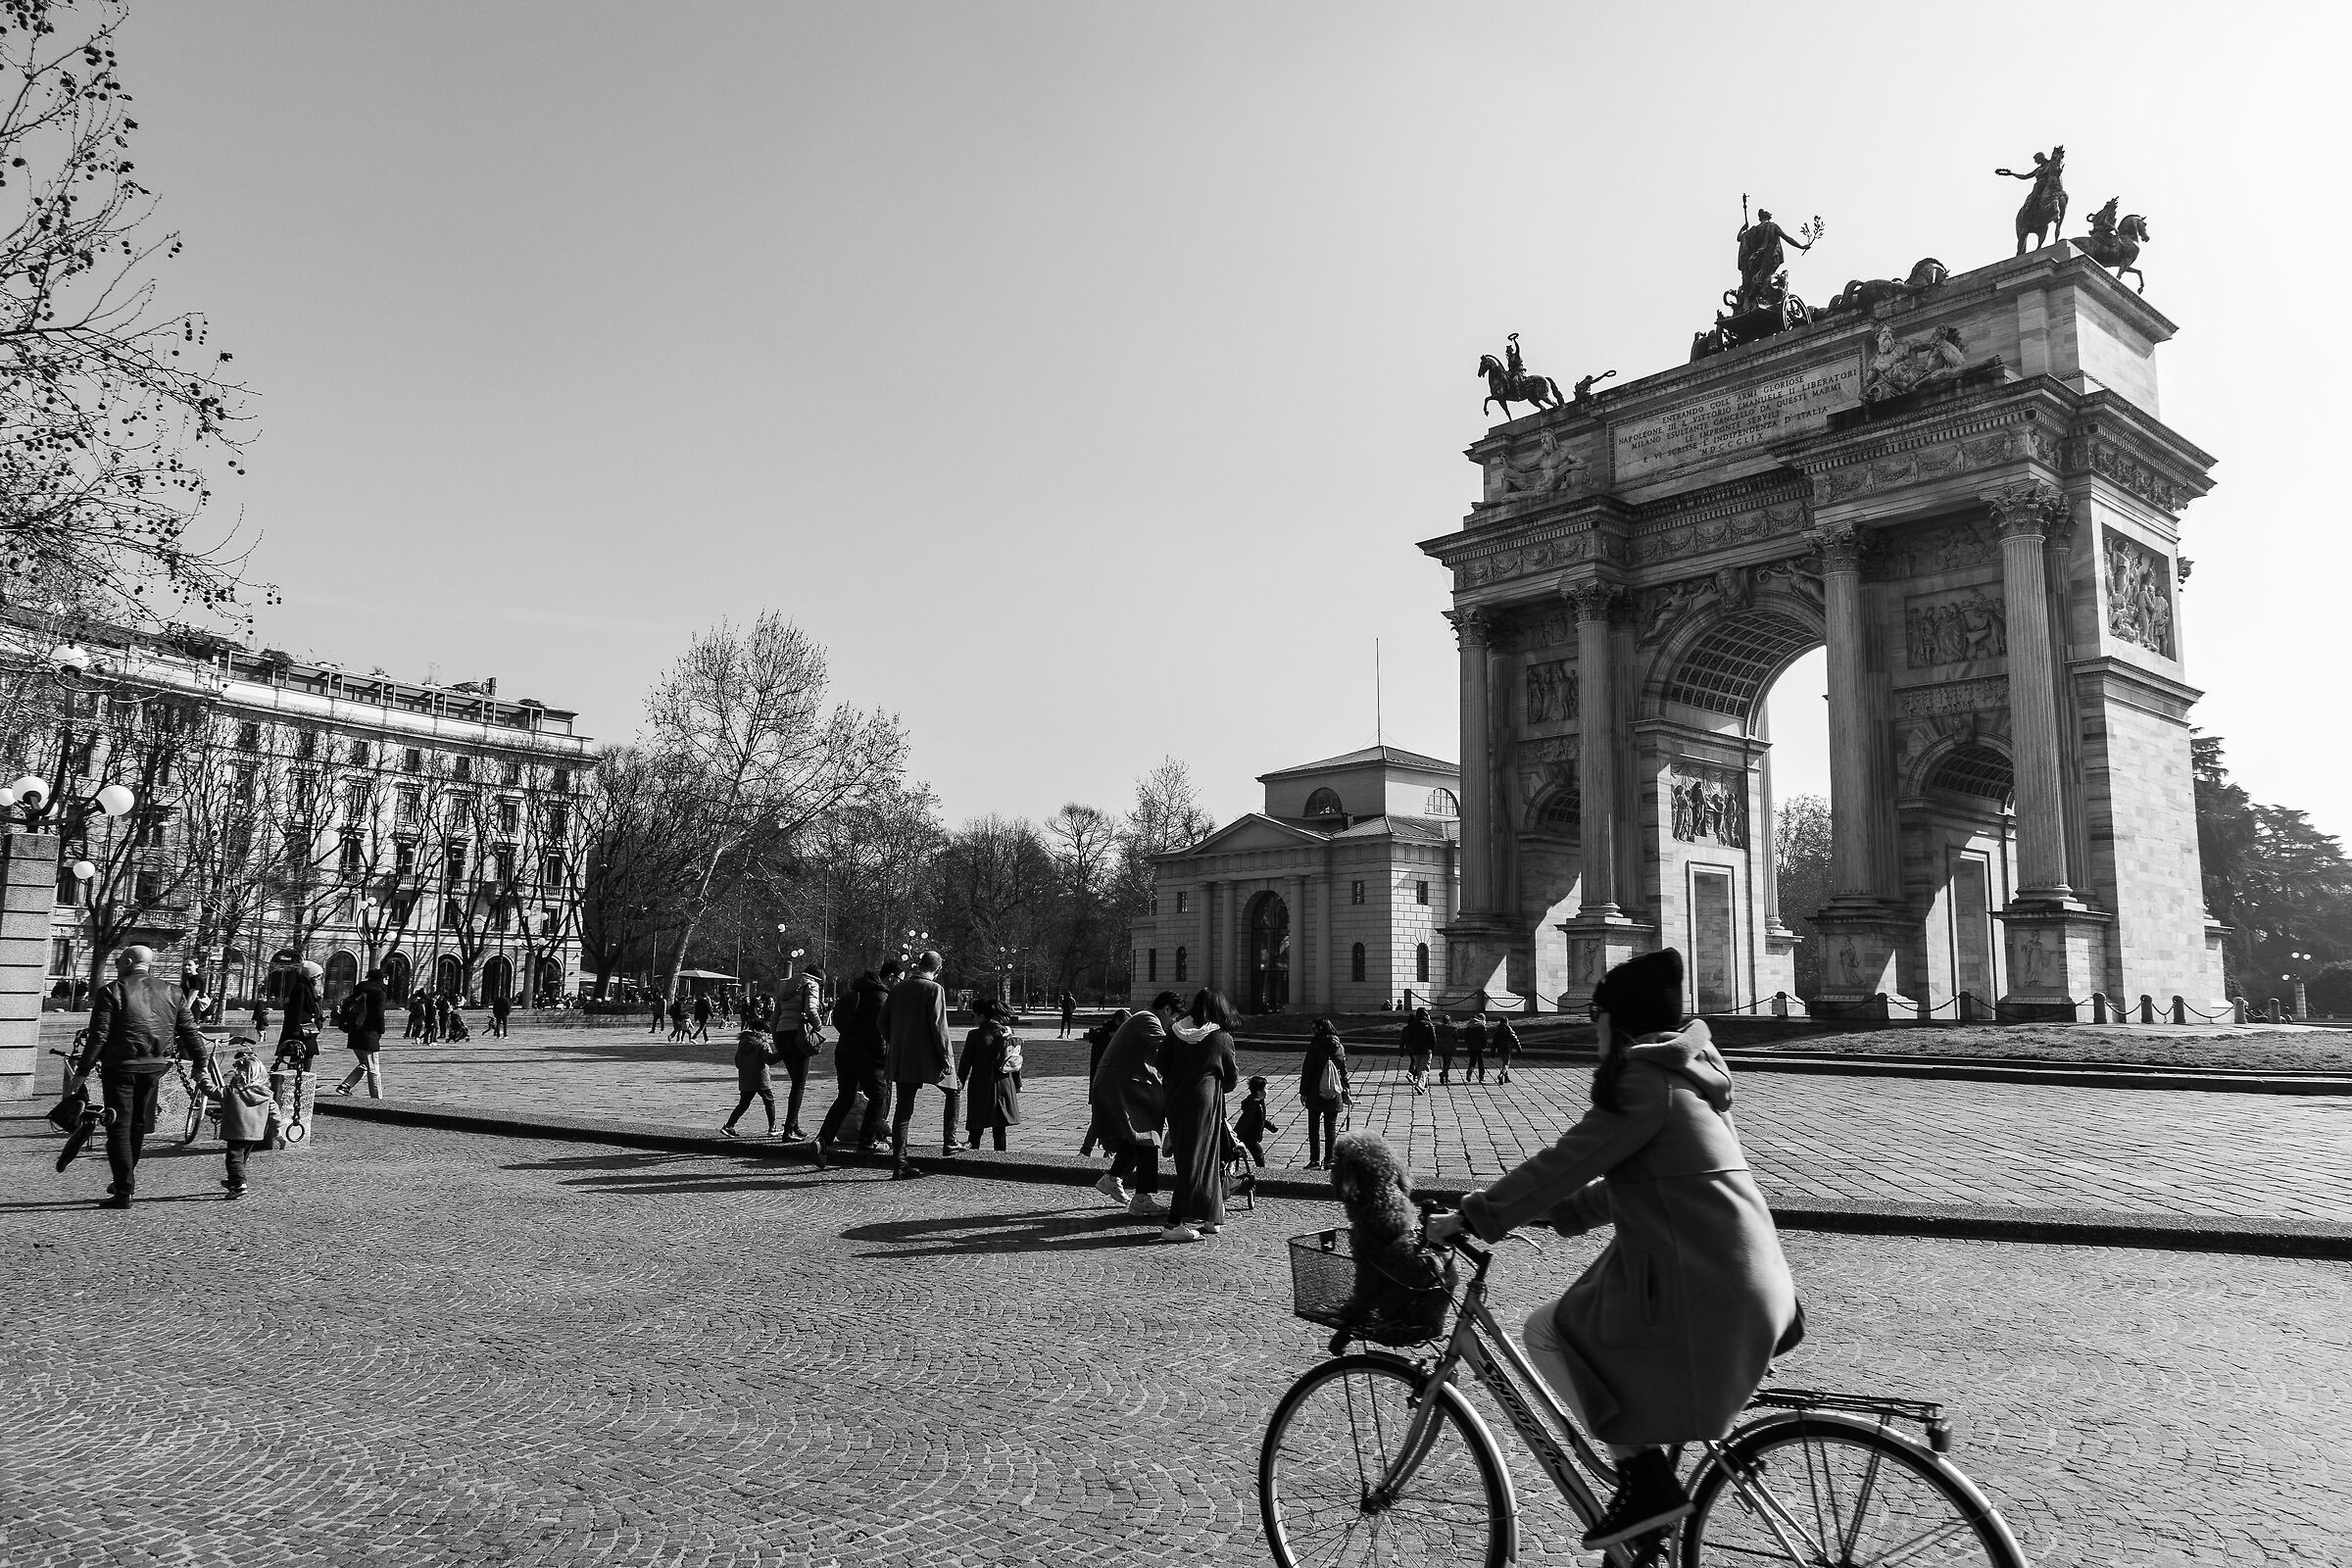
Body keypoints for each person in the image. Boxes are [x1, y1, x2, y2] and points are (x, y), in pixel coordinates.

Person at [1427, 950, 1799, 1554]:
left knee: (1549, 1329)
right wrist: (1563, 1212)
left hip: (1704, 1286)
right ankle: (1647, 1520)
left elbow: (1566, 1160)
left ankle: (1641, 1477)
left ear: (1615, 1020)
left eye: (1596, 1014)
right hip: (1753, 1276)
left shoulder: (1641, 1078)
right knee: (1596, 1320)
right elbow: (1633, 1178)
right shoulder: (1690, 1074)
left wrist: (1473, 1215)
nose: (1591, 1027)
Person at [65, 947, 209, 1209]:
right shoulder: (173, 991)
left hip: (120, 1066)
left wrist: (82, 1072)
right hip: (154, 1065)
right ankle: (125, 1178)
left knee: (118, 1126)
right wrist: (201, 1063)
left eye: (119, 961)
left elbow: (99, 1036)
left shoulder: (112, 990)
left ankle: (123, 1189)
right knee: (139, 1125)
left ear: (129, 962)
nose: (118, 964)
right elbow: (190, 1031)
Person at [1158, 989, 1240, 1243]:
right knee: (1201, 1158)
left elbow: (1161, 1064)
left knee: (1196, 1156)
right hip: (1205, 1102)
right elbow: (1231, 1077)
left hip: (1176, 1099)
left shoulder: (1176, 1032)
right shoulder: (1220, 1037)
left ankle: (1211, 1216)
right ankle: (1174, 1223)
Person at [1090, 991, 1179, 1217]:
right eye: (1174, 1018)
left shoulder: (1142, 1018)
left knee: (1140, 1135)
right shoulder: (1147, 1019)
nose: (1172, 1023)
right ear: (1167, 1009)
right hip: (1123, 1085)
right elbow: (1167, 1047)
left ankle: (1113, 1178)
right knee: (1147, 1135)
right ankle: (1142, 1198)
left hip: (1127, 1083)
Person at [813, 960, 898, 1167]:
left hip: (844, 1054)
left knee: (845, 1098)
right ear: (892, 978)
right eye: (899, 980)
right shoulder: (882, 997)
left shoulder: (853, 995)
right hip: (868, 1057)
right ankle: (867, 1141)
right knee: (879, 1096)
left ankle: (823, 1140)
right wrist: (883, 1060)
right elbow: (880, 1034)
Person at [881, 951, 955, 1180]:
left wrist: (895, 1041)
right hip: (926, 1057)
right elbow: (939, 1026)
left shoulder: (898, 988)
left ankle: (899, 1163)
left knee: (903, 1109)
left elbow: (882, 1022)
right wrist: (946, 1057)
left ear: (919, 965)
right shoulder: (934, 989)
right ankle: (950, 1142)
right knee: (955, 1090)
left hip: (902, 1057)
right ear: (938, 969)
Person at [959, 996, 1022, 1152]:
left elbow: (965, 1063)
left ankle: (973, 1158)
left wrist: (959, 1083)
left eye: (973, 1015)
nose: (972, 1018)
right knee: (1000, 1130)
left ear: (981, 1016)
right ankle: (1000, 1161)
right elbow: (1013, 1060)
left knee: (976, 1127)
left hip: (981, 1084)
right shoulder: (1007, 1031)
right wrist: (1018, 1083)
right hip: (1004, 1083)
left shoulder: (974, 1035)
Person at [773, 964, 824, 1141]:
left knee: (795, 1081)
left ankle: (794, 1124)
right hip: (798, 1034)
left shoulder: (785, 986)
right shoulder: (811, 984)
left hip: (782, 1033)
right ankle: (788, 1129)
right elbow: (811, 1010)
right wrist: (819, 1027)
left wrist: (776, 1038)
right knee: (799, 1084)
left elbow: (775, 1015)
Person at [216, 1043, 273, 1199]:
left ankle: (239, 1184)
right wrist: (277, 1127)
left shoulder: (233, 1092)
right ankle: (234, 1181)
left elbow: (213, 1091)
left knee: (233, 1159)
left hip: (237, 1132)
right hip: (255, 1133)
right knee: (241, 1159)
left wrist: (201, 1077)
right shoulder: (265, 1094)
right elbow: (274, 1112)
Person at [1298, 1018, 1350, 1170]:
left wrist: (1303, 1092)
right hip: (1334, 1091)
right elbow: (1343, 1071)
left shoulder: (1315, 1046)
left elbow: (1307, 1070)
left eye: (1313, 1028)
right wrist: (1347, 1089)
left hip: (1315, 1091)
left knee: (1313, 1127)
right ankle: (1329, 1160)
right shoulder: (1339, 1046)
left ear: (1319, 1029)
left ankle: (1315, 1161)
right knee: (1331, 1128)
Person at [1077, 1008, 1130, 1156]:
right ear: (1118, 1021)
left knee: (1102, 1118)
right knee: (1108, 1118)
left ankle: (1094, 1150)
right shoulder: (1111, 1038)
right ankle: (1104, 1150)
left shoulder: (1103, 1035)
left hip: (1099, 1084)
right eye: (1125, 1023)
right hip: (1109, 1084)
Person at [332, 966, 389, 1098]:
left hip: (354, 1031)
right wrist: (381, 1030)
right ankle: (377, 1098)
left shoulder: (359, 990)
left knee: (364, 1063)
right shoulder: (379, 993)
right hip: (370, 1033)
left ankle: (345, 1086)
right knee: (373, 1067)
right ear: (382, 979)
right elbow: (378, 1014)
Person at [722, 1024, 777, 1138]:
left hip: (746, 1078)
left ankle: (729, 1126)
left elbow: (737, 1062)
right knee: (769, 1101)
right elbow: (769, 1060)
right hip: (761, 1078)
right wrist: (783, 1054)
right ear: (762, 1031)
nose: (768, 1035)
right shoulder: (763, 1044)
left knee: (743, 1104)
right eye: (767, 1033)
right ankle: (772, 1127)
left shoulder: (742, 1044)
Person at [1232, 1075, 1274, 1168]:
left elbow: (1260, 1119)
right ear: (1259, 1092)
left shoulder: (1259, 1102)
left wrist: (1270, 1126)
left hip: (1251, 1135)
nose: (1268, 1091)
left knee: (1257, 1154)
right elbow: (1246, 1123)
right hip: (1249, 1136)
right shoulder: (1254, 1107)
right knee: (1258, 1154)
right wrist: (1238, 1137)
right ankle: (1262, 1171)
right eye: (1266, 1089)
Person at [1400, 1006, 1436, 1096]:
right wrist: (1432, 1049)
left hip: (1415, 1050)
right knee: (1424, 1069)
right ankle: (1420, 1085)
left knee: (1419, 1067)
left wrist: (1410, 1048)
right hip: (1426, 1050)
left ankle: (1423, 1084)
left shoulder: (1412, 1025)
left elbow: (1409, 1038)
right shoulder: (1429, 1025)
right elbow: (1433, 1039)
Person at [1462, 1013, 1489, 1083]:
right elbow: (1484, 1037)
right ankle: (1481, 1077)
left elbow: (1466, 1037)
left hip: (1471, 1046)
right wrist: (1484, 1045)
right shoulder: (1481, 1026)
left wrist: (1468, 1044)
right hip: (1479, 1046)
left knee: (1472, 1061)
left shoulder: (1469, 1025)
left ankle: (1469, 1071)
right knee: (1480, 1062)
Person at [1434, 1012, 1459, 1086]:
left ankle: (1446, 1076)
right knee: (1448, 1062)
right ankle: (1443, 1073)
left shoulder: (1438, 1028)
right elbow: (1456, 1037)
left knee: (1445, 1061)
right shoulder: (1453, 1029)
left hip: (1441, 1046)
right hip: (1450, 1046)